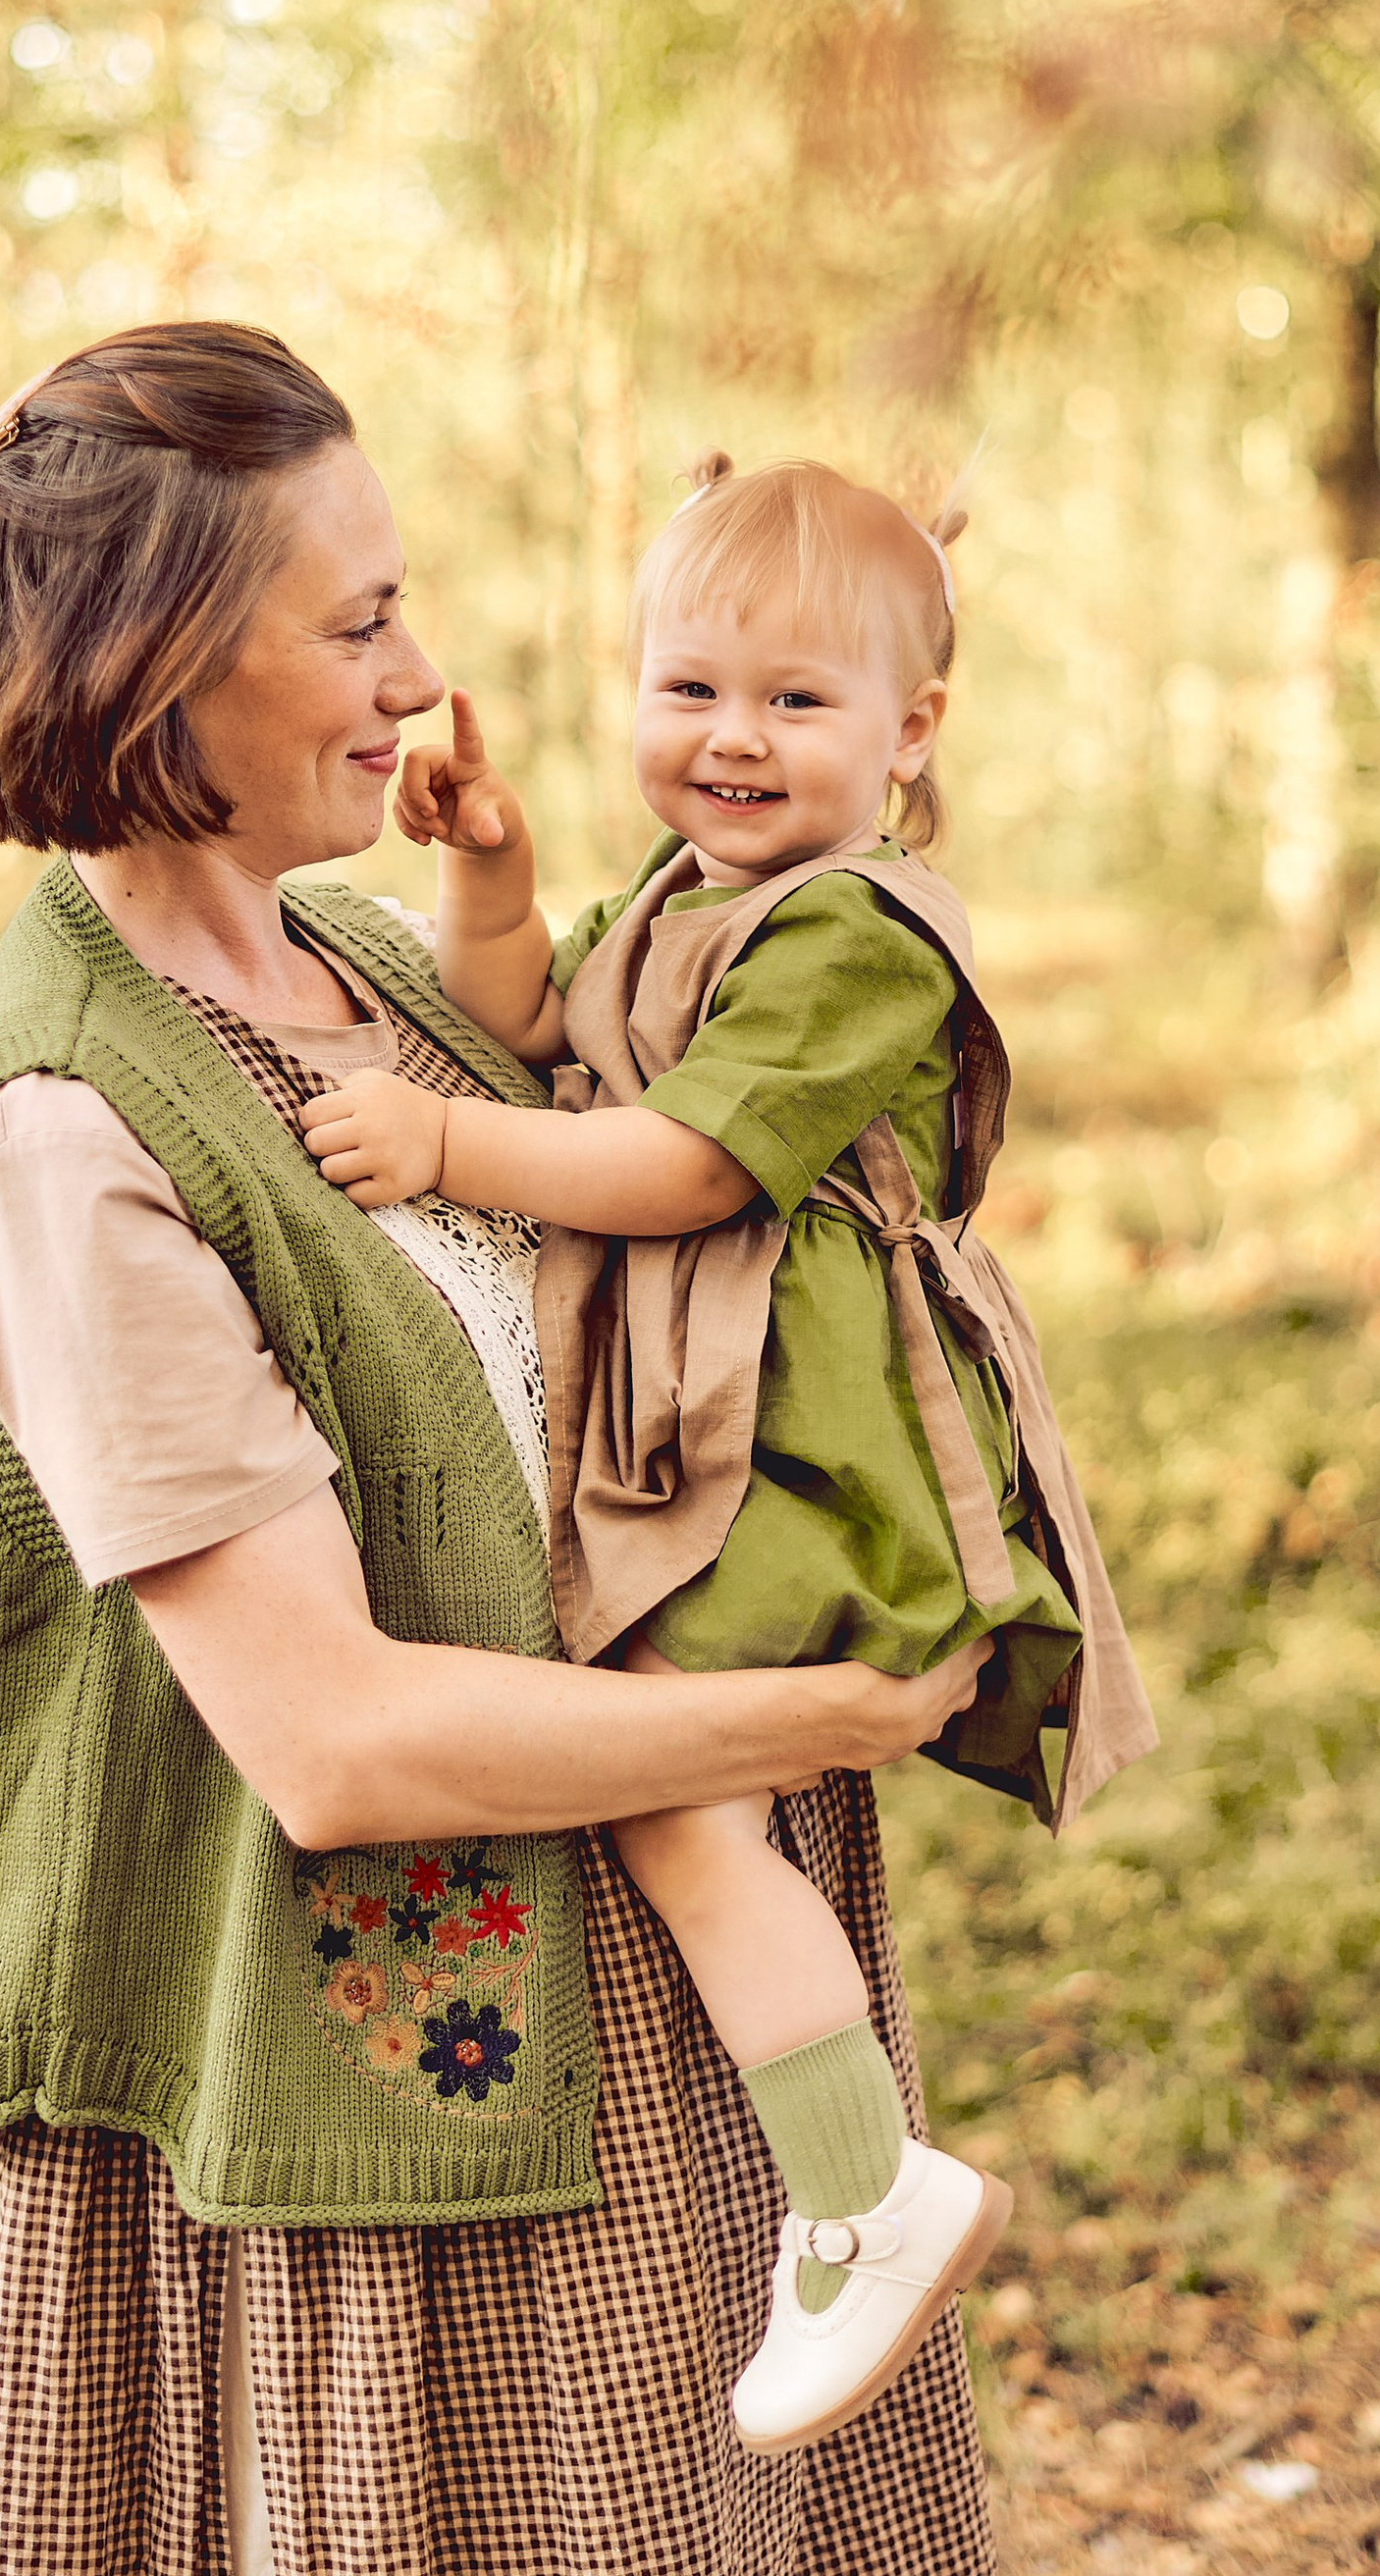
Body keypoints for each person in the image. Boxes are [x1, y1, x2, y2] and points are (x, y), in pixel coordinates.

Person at [0, 326, 1045, 2576]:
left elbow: (636, 1149)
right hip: (326, 2106)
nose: (425, 680)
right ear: (165, 679)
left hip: (608, 2034)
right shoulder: (72, 1138)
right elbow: (335, 1737)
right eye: (362, 624)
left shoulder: (368, 978)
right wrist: (825, 1716)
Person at [301, 450, 1156, 2456]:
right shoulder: (681, 897)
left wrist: (444, 1153)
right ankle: (833, 2173)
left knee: (668, 1785)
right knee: (664, 1781)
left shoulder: (858, 932)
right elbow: (537, 1030)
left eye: (794, 699)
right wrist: (490, 884)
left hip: (812, 1445)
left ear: (907, 732)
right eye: (687, 688)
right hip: (697, 1418)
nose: (732, 739)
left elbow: (680, 1161)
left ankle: (865, 2191)